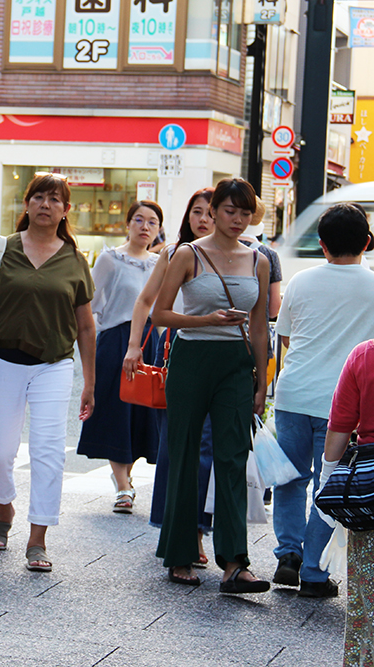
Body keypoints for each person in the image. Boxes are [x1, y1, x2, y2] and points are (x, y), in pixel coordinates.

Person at [0, 173, 96, 573]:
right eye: (38, 197)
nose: (45, 204)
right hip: (2, 362)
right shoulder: (2, 249)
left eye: (55, 199)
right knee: (0, 452)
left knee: (49, 451)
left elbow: (86, 327)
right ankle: (5, 511)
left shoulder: (74, 259)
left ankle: (38, 539)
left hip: (54, 365)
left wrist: (90, 381)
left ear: (66, 210)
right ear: (26, 204)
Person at [151, 178, 270, 592]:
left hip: (237, 366)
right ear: (213, 211)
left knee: (233, 458)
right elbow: (160, 316)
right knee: (183, 454)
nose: (237, 219)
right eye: (229, 211)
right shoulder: (187, 254)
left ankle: (235, 563)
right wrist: (206, 320)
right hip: (191, 358)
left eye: (245, 212)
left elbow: (259, 330)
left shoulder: (259, 260)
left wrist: (261, 384)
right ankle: (180, 552)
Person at [270, 202, 374, 597]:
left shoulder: (300, 281)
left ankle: (287, 553)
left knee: (290, 478)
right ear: (366, 243)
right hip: (343, 403)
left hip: (294, 392)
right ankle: (313, 570)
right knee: (331, 483)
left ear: (322, 244)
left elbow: (287, 337)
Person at [124, 188, 215, 566]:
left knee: (207, 450)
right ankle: (177, 528)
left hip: (218, 353)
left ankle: (196, 530)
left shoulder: (238, 255)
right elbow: (146, 301)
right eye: (197, 211)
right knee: (175, 447)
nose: (204, 219)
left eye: (212, 212)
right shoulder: (174, 252)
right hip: (174, 348)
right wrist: (134, 346)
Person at [77, 201, 161, 514]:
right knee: (116, 411)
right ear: (127, 224)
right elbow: (92, 303)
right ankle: (122, 484)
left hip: (150, 341)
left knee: (142, 414)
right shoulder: (111, 259)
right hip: (116, 342)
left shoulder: (159, 263)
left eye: (152, 222)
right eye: (138, 220)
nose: (144, 226)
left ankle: (126, 476)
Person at [322, 340, 374, 665]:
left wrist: (330, 479)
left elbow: (340, 426)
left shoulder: (365, 355)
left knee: (364, 603)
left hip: (370, 491)